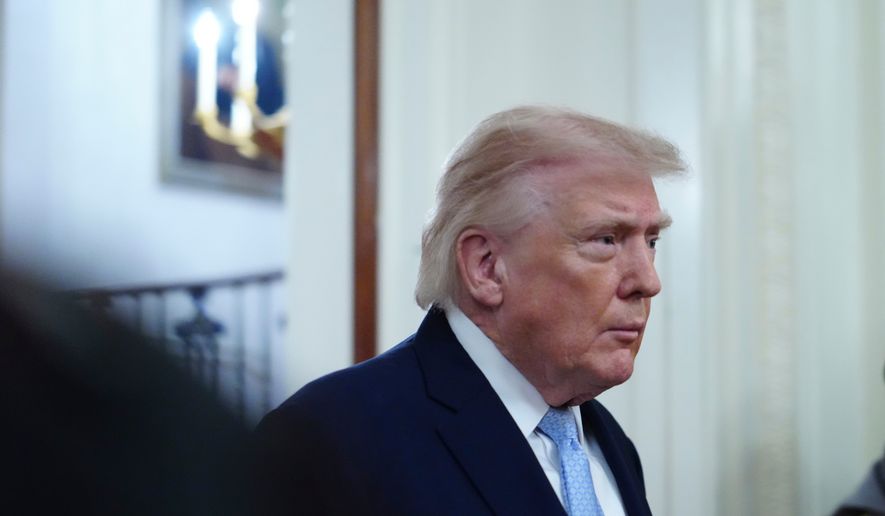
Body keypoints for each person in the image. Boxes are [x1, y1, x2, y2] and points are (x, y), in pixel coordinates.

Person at [254, 105, 685, 515]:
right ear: (486, 268)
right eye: (606, 240)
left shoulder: (609, 443)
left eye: (650, 243)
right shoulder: (329, 438)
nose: (648, 281)